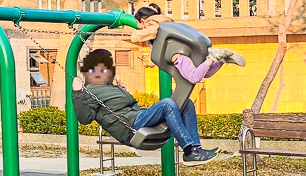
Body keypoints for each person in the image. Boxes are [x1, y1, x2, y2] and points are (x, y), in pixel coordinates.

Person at [72, 49, 218, 165]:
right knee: (168, 104)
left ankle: (196, 149)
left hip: (138, 116)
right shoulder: (89, 91)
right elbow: (85, 118)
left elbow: (127, 107)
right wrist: (77, 93)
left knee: (186, 103)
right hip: (131, 127)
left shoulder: (112, 87)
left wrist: (124, 90)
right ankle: (188, 150)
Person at [131, 3, 245, 84]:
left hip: (178, 55)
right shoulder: (165, 21)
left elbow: (152, 31)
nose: (138, 27)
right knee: (206, 73)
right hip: (186, 50)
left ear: (142, 20)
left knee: (194, 77)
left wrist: (135, 36)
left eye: (137, 24)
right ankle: (222, 59)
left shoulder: (152, 23)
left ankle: (213, 57)